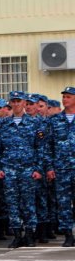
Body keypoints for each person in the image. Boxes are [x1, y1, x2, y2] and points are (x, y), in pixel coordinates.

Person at [0, 91, 44, 248]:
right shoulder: (2, 124)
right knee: (12, 203)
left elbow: (40, 148)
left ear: (24, 103)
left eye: (18, 101)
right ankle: (16, 234)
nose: (15, 104)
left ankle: (29, 234)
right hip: (9, 170)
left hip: (28, 169)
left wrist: (39, 169)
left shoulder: (34, 124)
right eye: (13, 101)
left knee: (28, 203)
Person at [46, 87, 75, 247]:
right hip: (61, 168)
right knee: (63, 203)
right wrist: (50, 167)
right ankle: (68, 234)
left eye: (69, 97)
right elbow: (48, 146)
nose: (65, 100)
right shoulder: (55, 120)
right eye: (63, 97)